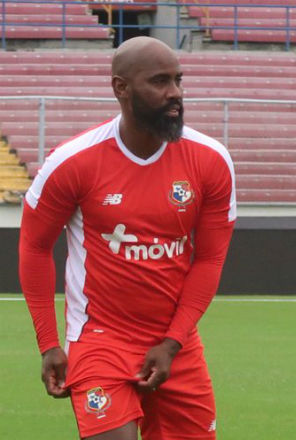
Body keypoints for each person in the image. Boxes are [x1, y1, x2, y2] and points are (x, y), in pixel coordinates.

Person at [19, 36, 236, 440]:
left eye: (178, 80)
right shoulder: (72, 162)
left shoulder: (211, 160)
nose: (174, 93)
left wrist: (172, 343)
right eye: (159, 81)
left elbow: (209, 260)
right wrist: (49, 343)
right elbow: (34, 247)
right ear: (121, 87)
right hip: (100, 338)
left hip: (177, 342)